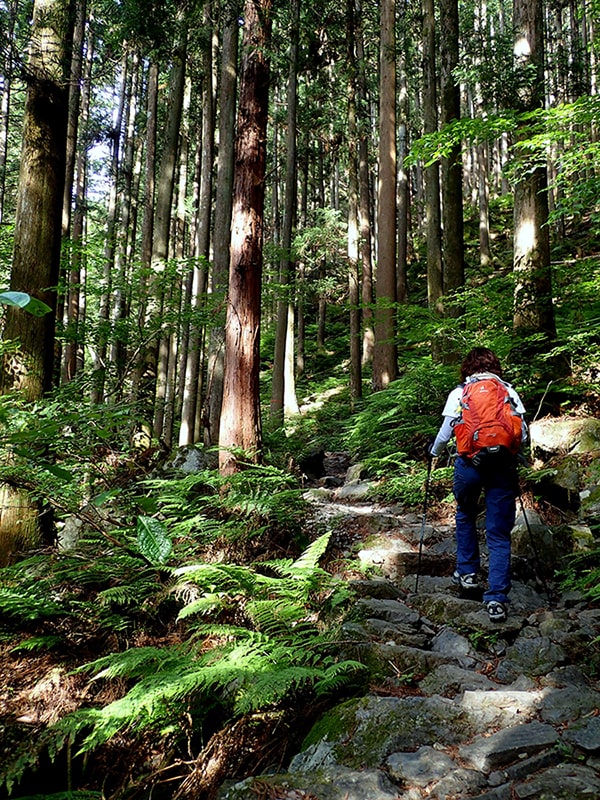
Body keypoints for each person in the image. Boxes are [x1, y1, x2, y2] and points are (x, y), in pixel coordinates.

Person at [429, 347, 527, 622]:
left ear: (467, 368)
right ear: (495, 366)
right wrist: (516, 455)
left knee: (465, 513)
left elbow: (447, 430)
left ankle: (468, 573)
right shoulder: (507, 390)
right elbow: (523, 431)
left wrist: (434, 451)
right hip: (502, 467)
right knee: (498, 533)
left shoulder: (460, 392)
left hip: (469, 465)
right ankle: (496, 598)